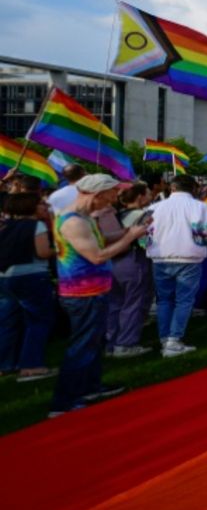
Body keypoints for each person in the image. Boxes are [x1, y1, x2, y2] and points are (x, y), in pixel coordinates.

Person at [49, 175, 150, 418]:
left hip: (94, 290)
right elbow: (97, 256)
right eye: (112, 194)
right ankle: (64, 401)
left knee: (93, 344)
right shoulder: (74, 222)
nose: (114, 199)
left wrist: (127, 231)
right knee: (82, 346)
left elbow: (99, 241)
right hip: (83, 293)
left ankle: (91, 387)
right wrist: (129, 238)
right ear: (98, 194)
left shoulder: (84, 218)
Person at [146, 175, 207, 358]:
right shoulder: (200, 207)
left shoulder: (155, 207)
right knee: (183, 300)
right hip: (188, 256)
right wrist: (199, 240)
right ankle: (173, 340)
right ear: (194, 188)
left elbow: (144, 233)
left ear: (172, 188)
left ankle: (166, 338)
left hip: (161, 256)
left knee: (164, 300)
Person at [0, 191, 58, 381]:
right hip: (31, 276)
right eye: (41, 205)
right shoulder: (37, 225)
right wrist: (59, 248)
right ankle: (31, 366)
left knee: (10, 320)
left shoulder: (5, 226)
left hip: (7, 277)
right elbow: (42, 252)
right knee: (38, 321)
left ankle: (6, 363)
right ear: (31, 207)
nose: (45, 207)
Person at [107, 184, 155, 358]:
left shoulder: (115, 214)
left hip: (113, 261)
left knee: (115, 304)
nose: (150, 196)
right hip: (134, 259)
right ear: (140, 197)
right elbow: (146, 241)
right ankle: (126, 343)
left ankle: (111, 342)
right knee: (134, 303)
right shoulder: (144, 216)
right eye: (148, 193)